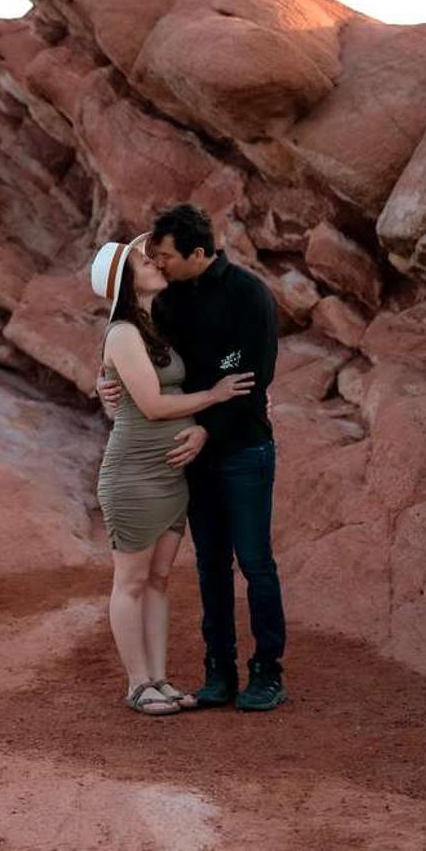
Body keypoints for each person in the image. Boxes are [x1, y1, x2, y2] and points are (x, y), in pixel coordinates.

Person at [98, 204, 287, 712]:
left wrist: (205, 430)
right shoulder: (166, 303)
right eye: (151, 259)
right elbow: (132, 359)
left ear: (197, 254)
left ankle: (266, 673)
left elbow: (252, 385)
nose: (159, 264)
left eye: (164, 257)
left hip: (243, 448)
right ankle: (218, 673)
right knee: (209, 566)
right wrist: (106, 383)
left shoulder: (250, 296)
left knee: (254, 562)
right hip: (188, 461)